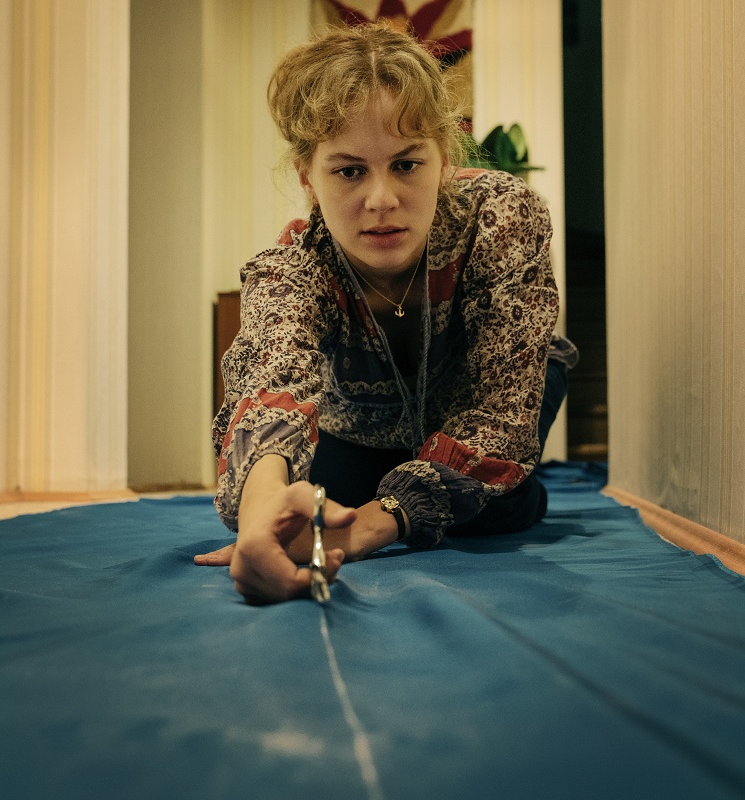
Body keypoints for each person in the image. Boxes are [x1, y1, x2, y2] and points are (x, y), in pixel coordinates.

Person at [194, 23, 578, 603]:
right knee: (318, 503)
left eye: (406, 165)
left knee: (498, 507)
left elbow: (500, 409)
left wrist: (364, 530)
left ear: (443, 159)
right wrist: (259, 515)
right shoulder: (293, 267)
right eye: (349, 171)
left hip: (489, 401)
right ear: (307, 177)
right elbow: (270, 388)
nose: (382, 200)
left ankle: (504, 487)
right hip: (362, 429)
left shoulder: (501, 217)